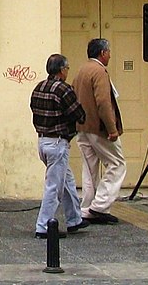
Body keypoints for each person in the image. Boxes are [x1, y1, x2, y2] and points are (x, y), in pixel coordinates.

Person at [30, 53, 89, 239]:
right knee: (54, 187)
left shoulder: (39, 87)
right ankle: (43, 226)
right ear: (62, 70)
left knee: (68, 181)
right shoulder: (64, 89)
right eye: (67, 69)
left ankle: (74, 219)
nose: (67, 72)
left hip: (42, 141)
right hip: (58, 143)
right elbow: (78, 114)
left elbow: (34, 110)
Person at [72, 38, 126, 224]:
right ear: (102, 53)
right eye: (109, 52)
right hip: (98, 128)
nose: (110, 55)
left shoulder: (81, 70)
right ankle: (100, 206)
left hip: (82, 127)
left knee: (89, 168)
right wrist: (112, 128)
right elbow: (103, 103)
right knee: (117, 164)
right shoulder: (99, 72)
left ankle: (86, 208)